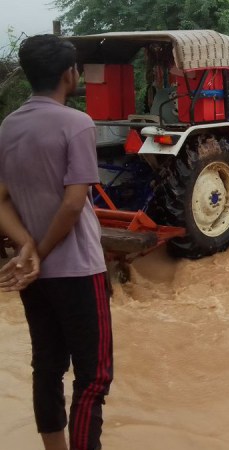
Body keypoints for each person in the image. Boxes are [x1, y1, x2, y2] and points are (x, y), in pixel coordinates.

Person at [0, 34, 112, 450]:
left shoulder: (10, 123)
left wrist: (26, 248)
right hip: (79, 268)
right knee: (94, 376)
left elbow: (1, 201)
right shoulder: (77, 123)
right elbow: (73, 203)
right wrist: (40, 251)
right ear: (70, 74)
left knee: (47, 366)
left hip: (35, 277)